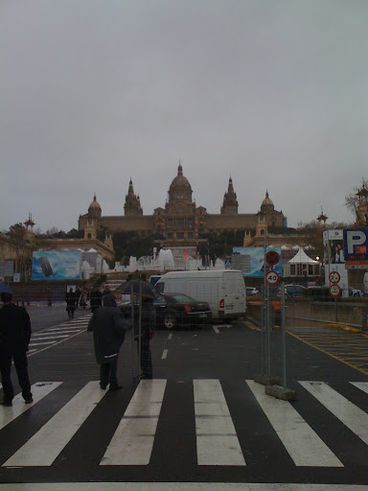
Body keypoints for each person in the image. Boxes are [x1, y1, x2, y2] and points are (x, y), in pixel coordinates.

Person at [87, 291, 128, 390]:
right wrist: (128, 326)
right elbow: (120, 326)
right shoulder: (115, 311)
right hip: (112, 342)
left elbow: (90, 327)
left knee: (104, 362)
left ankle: (103, 382)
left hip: (100, 342)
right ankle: (113, 383)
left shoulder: (98, 311)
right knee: (112, 363)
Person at [0, 292, 33, 406]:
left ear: (2, 300)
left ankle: (8, 398)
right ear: (12, 299)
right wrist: (25, 343)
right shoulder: (21, 311)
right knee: (22, 370)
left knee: (5, 373)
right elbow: (28, 329)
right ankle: (27, 395)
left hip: (4, 347)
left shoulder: (1, 313)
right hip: (19, 345)